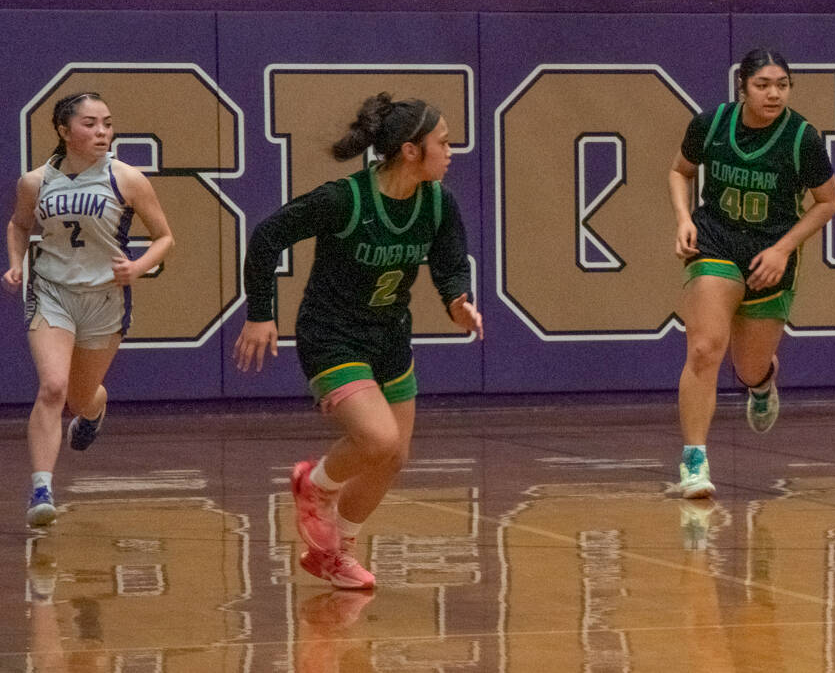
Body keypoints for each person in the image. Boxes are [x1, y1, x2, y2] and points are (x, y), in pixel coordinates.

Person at [235, 94, 482, 589]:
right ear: (411, 151)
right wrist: (261, 314)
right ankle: (314, 485)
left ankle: (335, 552)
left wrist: (458, 300)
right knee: (378, 438)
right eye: (444, 142)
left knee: (393, 457)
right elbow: (265, 238)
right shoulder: (345, 199)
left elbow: (450, 259)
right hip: (333, 335)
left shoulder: (438, 201)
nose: (452, 151)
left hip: (389, 335)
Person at [668, 49, 835, 499]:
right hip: (716, 240)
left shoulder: (802, 137)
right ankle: (694, 460)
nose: (773, 93)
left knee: (747, 367)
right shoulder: (710, 125)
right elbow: (679, 171)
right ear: (742, 86)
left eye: (782, 84)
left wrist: (784, 249)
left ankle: (762, 382)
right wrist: (684, 219)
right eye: (763, 84)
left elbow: (828, 201)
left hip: (770, 252)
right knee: (705, 349)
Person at [6, 93, 174, 527]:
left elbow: (164, 237)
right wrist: (14, 264)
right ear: (64, 131)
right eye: (90, 123)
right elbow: (20, 224)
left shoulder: (127, 179)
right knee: (52, 387)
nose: (102, 132)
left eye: (107, 123)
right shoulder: (36, 181)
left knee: (81, 397)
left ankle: (95, 410)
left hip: (103, 298)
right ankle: (42, 487)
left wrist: (136, 267)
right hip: (53, 291)